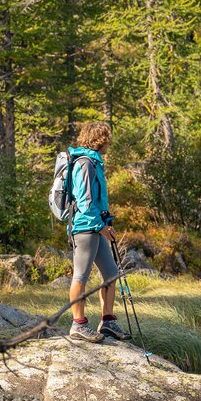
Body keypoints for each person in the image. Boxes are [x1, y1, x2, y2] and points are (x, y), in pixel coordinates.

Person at [65, 122, 130, 343]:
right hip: (85, 228)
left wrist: (104, 222)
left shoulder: (94, 162)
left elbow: (96, 199)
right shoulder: (85, 163)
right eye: (107, 139)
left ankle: (108, 322)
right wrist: (98, 225)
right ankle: (78, 325)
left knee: (111, 274)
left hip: (96, 226)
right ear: (99, 139)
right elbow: (84, 201)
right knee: (81, 276)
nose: (109, 143)